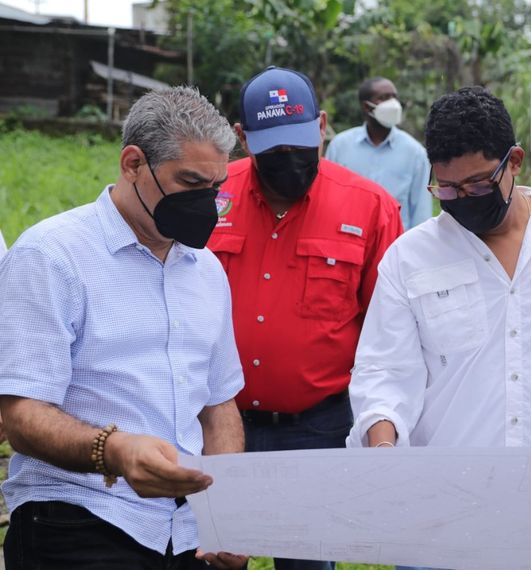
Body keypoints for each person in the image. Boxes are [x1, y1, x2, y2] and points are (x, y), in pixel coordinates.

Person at [345, 86, 531, 570]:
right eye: (446, 189)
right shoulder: (408, 258)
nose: (462, 200)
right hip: (438, 523)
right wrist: (383, 448)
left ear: (515, 161)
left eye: (479, 185)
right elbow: (383, 373)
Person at [0, 87, 247, 569]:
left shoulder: (206, 270)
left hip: (189, 530)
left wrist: (227, 515)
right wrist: (113, 450)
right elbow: (21, 414)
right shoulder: (52, 256)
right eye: (189, 183)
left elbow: (219, 405)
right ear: (133, 163)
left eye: (214, 191)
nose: (204, 204)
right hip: (78, 518)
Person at [208, 66, 403, 570]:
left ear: (320, 127)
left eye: (300, 145)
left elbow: (390, 331)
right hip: (217, 422)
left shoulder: (370, 208)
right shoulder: (210, 197)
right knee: (213, 556)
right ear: (242, 137)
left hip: (317, 428)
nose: (289, 161)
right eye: (273, 150)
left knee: (309, 561)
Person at [325, 77, 432, 230]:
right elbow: (329, 199)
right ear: (366, 107)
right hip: (348, 240)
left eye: (394, 97)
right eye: (384, 98)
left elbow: (421, 212)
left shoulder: (415, 153)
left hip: (395, 245)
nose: (393, 104)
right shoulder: (340, 146)